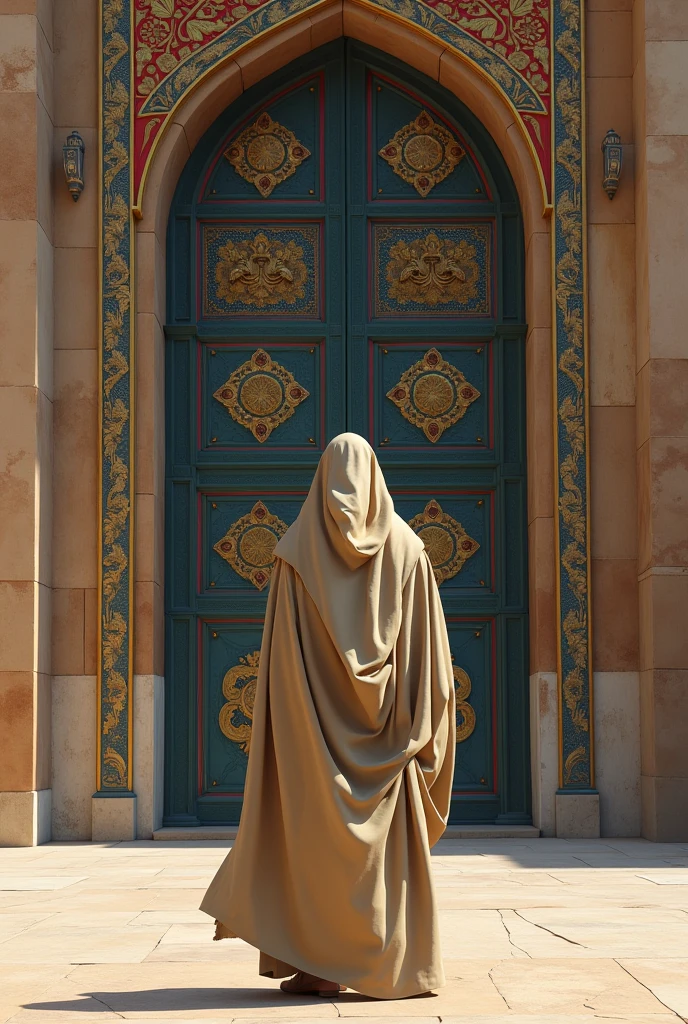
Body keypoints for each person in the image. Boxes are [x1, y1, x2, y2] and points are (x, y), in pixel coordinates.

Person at [200, 432, 456, 1000]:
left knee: (313, 845)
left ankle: (319, 962)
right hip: (390, 739)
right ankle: (375, 961)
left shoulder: (294, 554)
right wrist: (413, 730)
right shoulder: (410, 552)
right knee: (377, 854)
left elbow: (284, 669)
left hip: (313, 742)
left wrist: (292, 739)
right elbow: (429, 664)